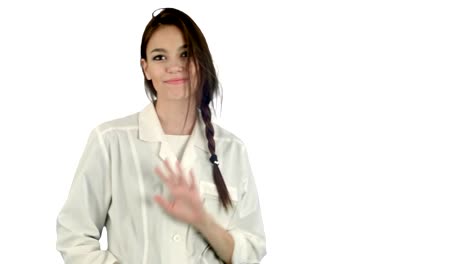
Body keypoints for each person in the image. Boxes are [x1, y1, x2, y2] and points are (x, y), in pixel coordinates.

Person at [56, 7, 266, 264]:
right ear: (145, 69)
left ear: (201, 61)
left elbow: (250, 251)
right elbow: (74, 236)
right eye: (159, 57)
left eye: (185, 54)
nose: (174, 66)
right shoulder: (110, 141)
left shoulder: (232, 150)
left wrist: (201, 219)